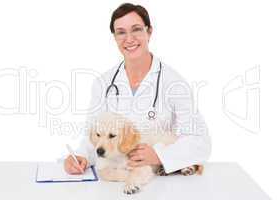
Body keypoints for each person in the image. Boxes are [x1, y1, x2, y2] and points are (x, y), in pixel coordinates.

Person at [64, 3, 211, 175]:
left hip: (161, 182)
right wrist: (81, 157)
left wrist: (160, 155)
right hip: (116, 180)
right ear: (115, 37)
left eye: (136, 29)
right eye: (121, 32)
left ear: (149, 32)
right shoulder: (102, 83)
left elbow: (200, 141)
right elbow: (93, 137)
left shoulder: (174, 83)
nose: (129, 38)